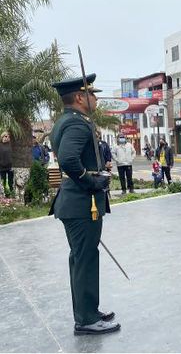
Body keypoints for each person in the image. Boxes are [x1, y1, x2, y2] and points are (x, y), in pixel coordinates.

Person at [48, 74, 120, 335]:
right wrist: (91, 181)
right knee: (84, 259)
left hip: (76, 203)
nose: (96, 98)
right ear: (80, 97)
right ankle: (86, 319)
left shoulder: (67, 121)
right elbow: (68, 158)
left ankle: (88, 310)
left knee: (81, 258)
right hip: (81, 202)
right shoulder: (78, 124)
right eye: (92, 93)